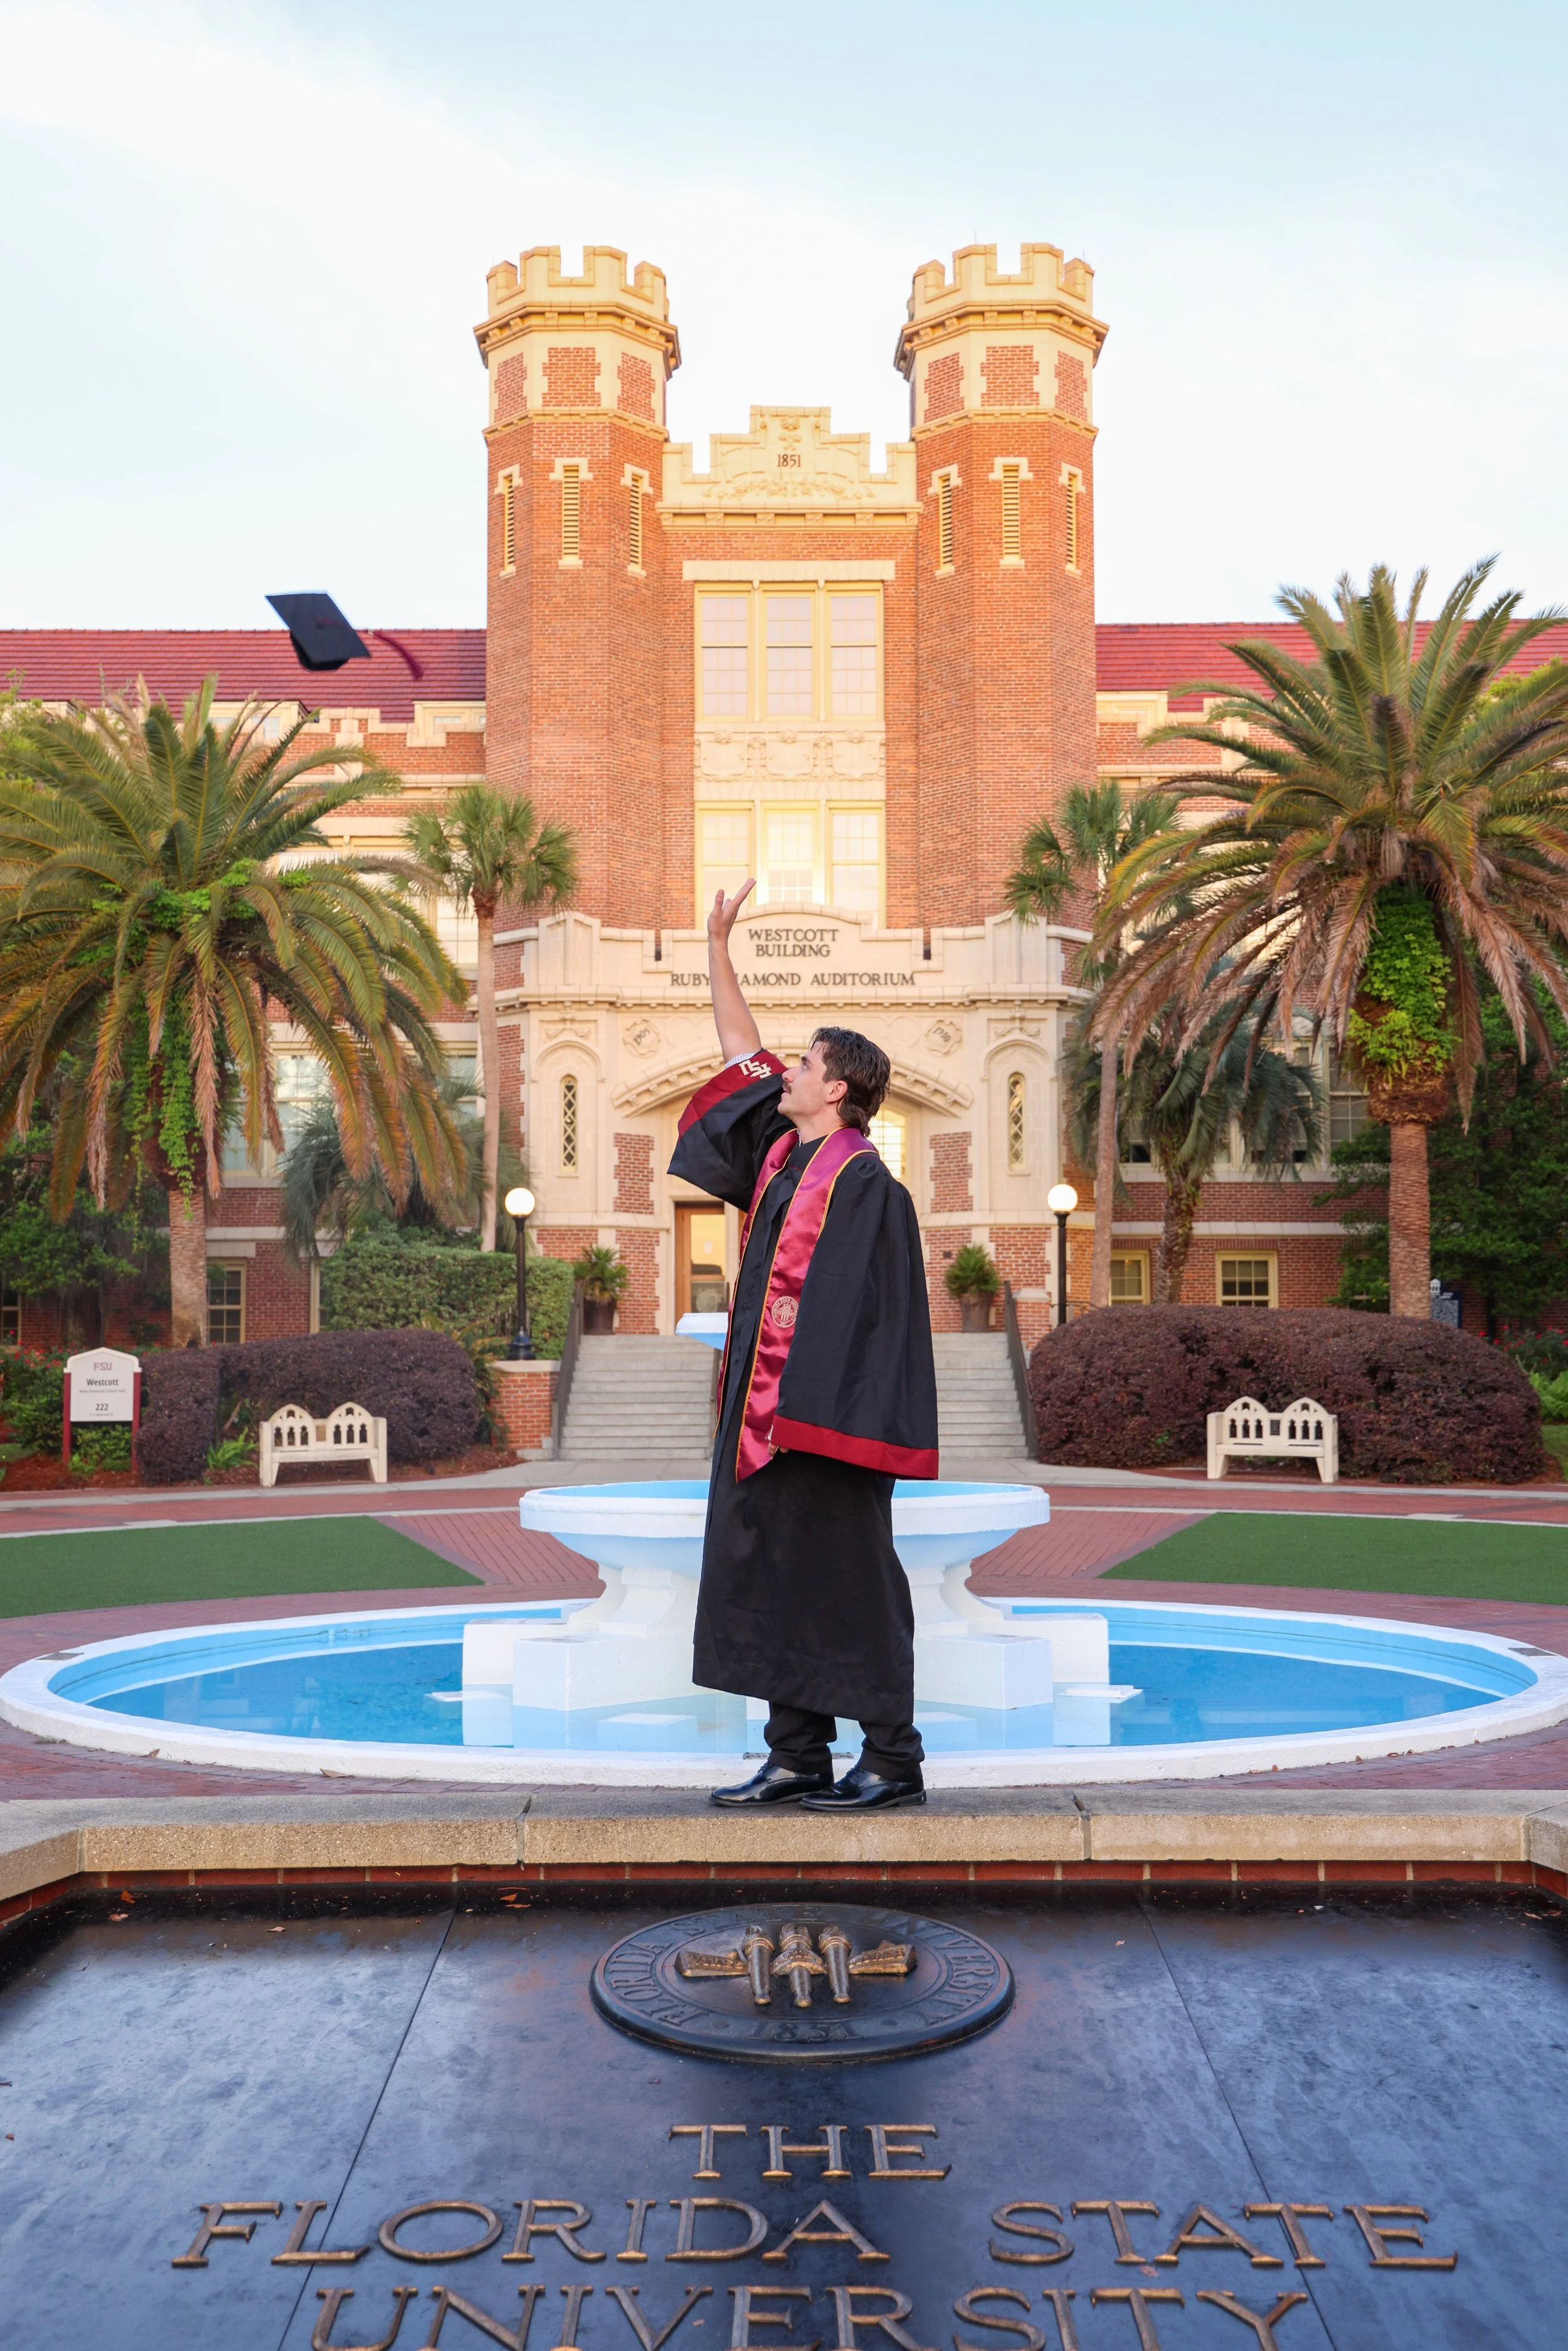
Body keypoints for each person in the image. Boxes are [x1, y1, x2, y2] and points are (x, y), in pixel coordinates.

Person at [669, 880, 938, 1812]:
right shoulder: (784, 1162)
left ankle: (894, 1758)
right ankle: (797, 1755)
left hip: (824, 1422)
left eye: (807, 1064)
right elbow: (742, 1054)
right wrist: (716, 941)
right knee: (773, 1574)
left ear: (840, 1089)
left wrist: (819, 1417)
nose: (789, 1073)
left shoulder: (867, 1186)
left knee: (851, 1579)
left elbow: (880, 1323)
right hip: (762, 1416)